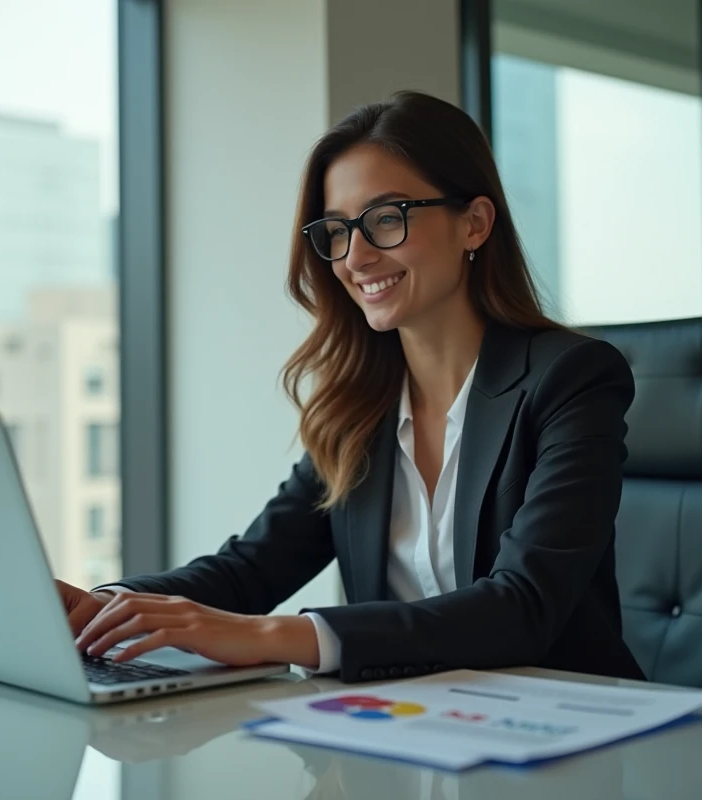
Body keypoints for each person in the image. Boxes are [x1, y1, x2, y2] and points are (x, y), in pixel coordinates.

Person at [61, 90, 645, 684]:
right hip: (407, 730)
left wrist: (270, 635)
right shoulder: (359, 407)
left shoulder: (571, 379)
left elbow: (524, 606)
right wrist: (104, 606)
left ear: (474, 223)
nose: (356, 256)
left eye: (387, 219)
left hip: (567, 734)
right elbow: (250, 570)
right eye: (337, 231)